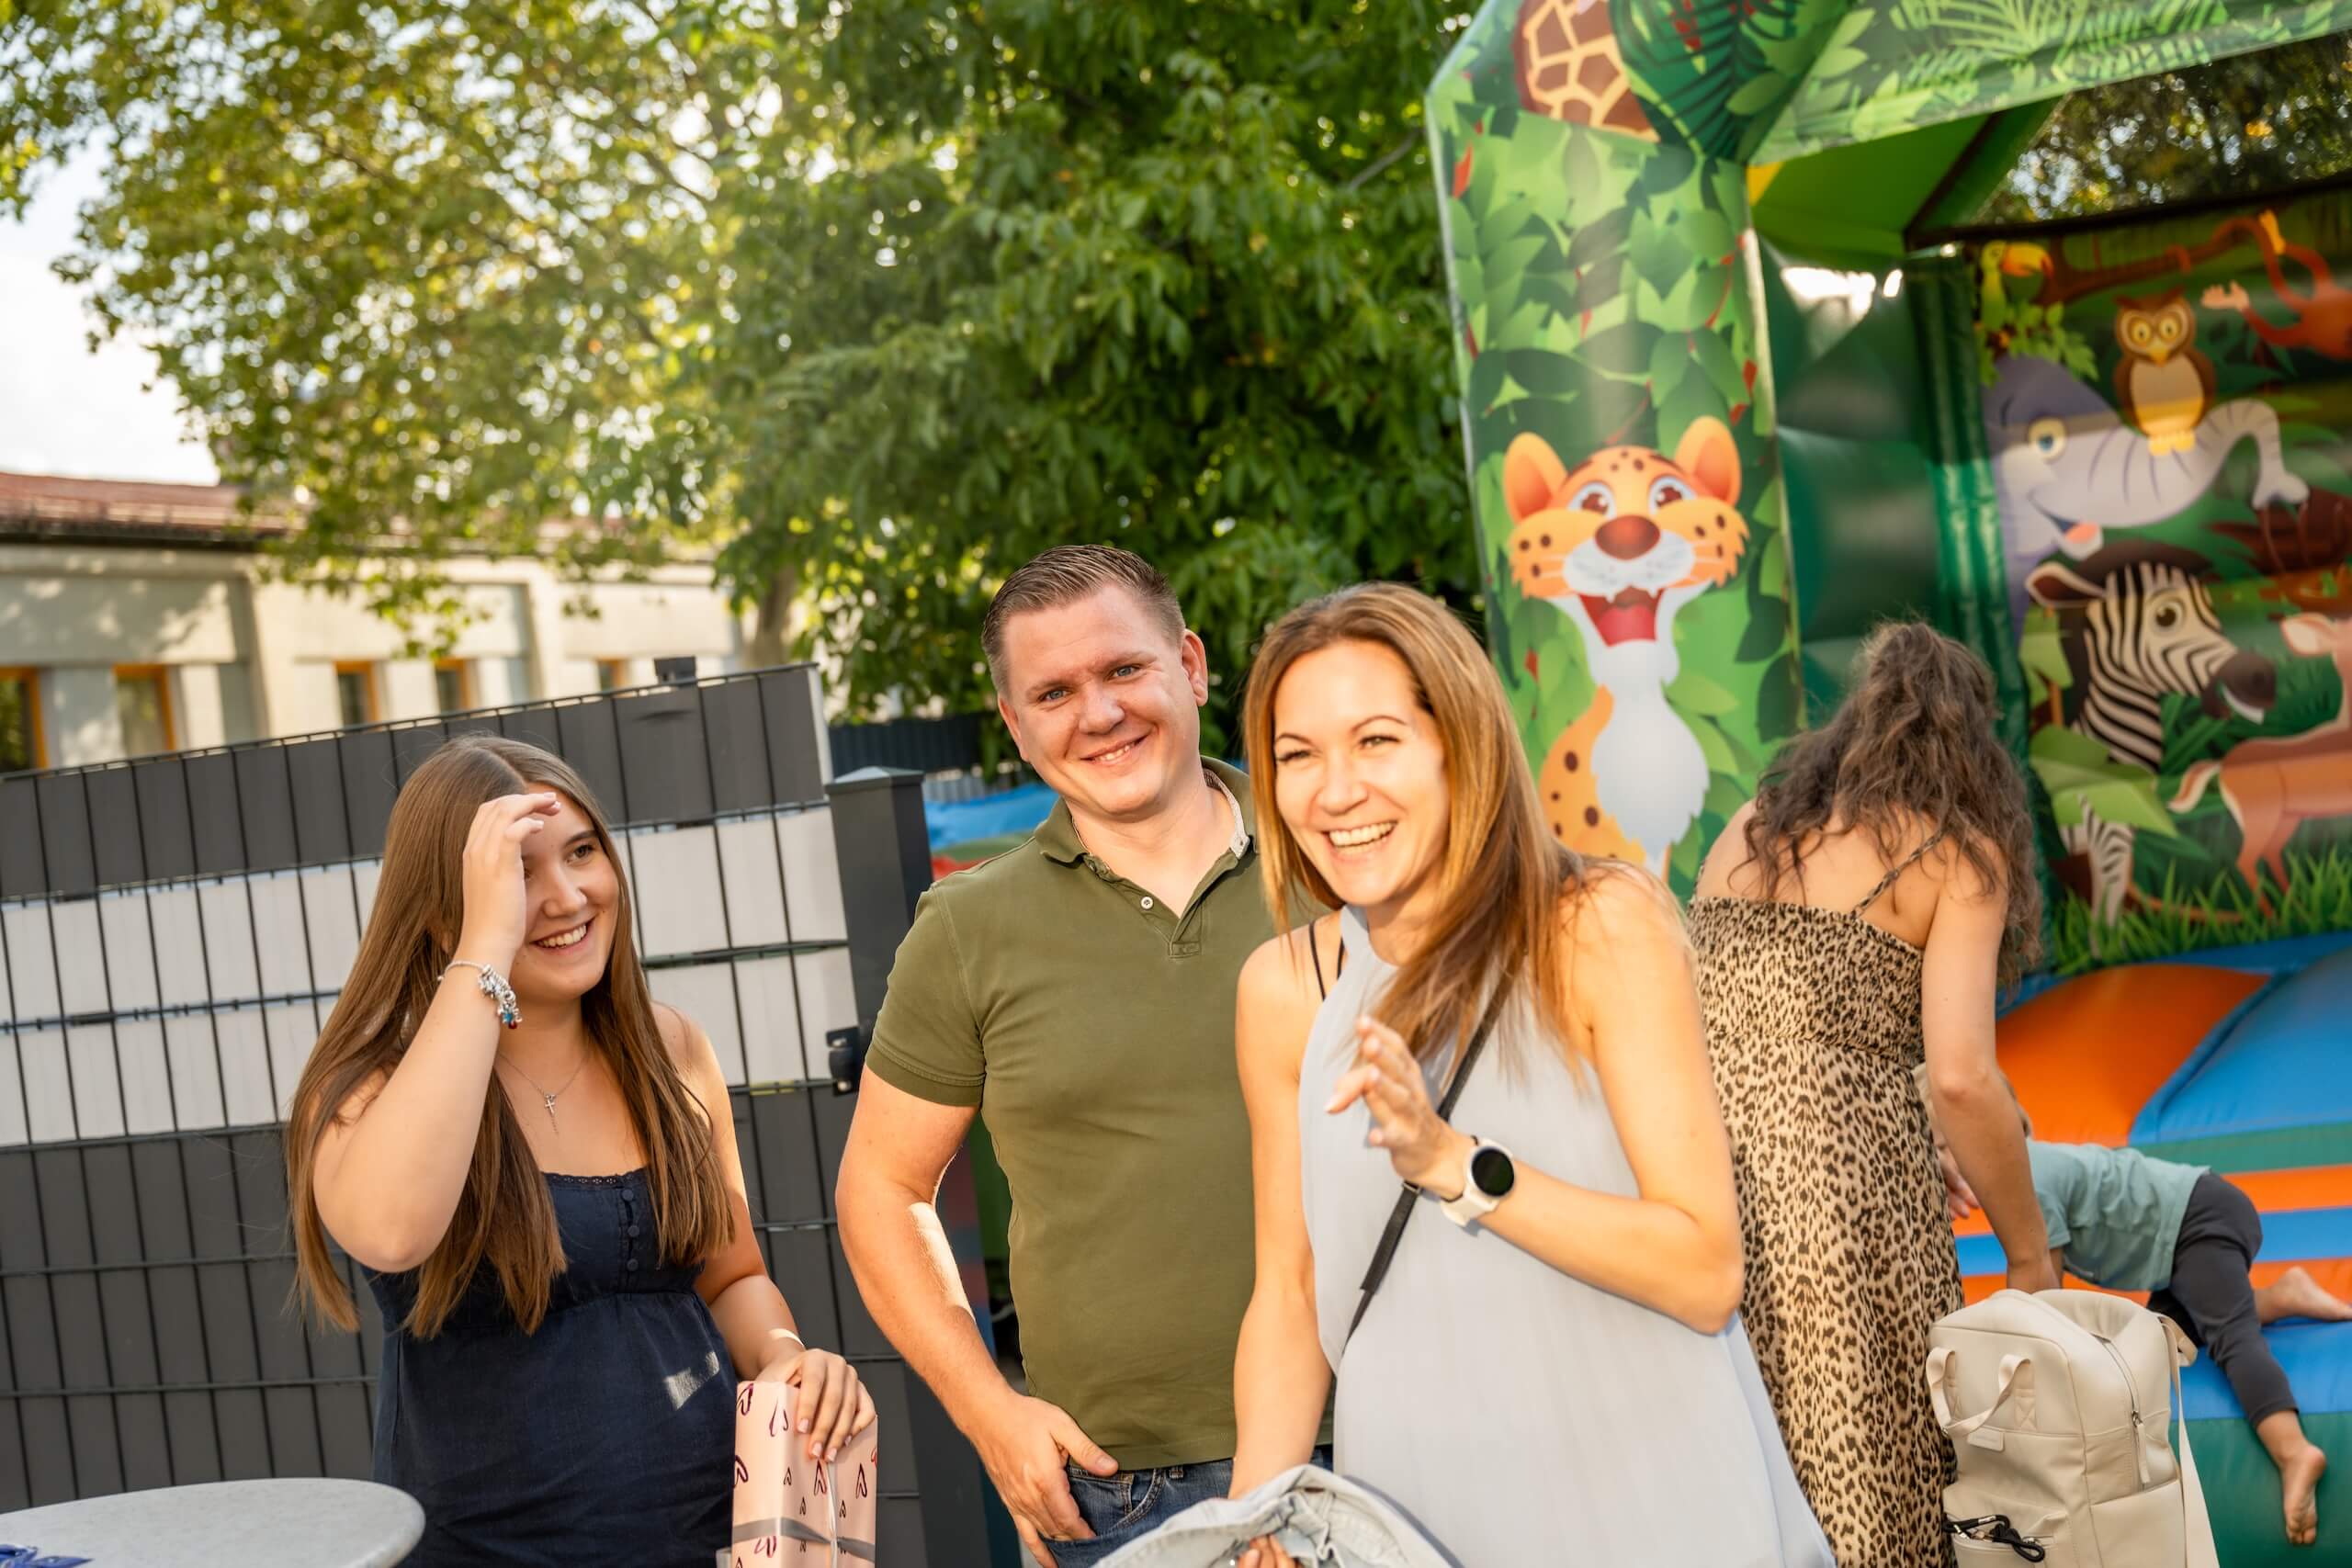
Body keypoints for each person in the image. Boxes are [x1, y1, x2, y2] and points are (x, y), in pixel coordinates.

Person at [1227, 582, 1829, 1567]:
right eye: (1297, 756)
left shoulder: (1595, 925)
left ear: (1458, 746)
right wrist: (1256, 1514)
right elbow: (1288, 1292)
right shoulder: (1283, 991)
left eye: (1376, 741)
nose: (1333, 792)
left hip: (1650, 1504)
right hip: (1416, 1516)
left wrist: (1457, 1165)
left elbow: (1704, 1269)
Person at [835, 545, 1325, 1568]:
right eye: (1052, 692)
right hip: (1115, 1490)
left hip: (1371, 1446)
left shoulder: (1337, 855)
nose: (1096, 714)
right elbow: (881, 1189)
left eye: (1122, 671)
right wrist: (991, 1417)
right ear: (1014, 727)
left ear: (1189, 666)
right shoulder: (969, 927)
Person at [285, 737, 871, 1566]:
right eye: (518, 871)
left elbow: (733, 1275)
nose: (566, 896)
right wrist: (483, 950)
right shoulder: (366, 1088)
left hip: (706, 1541)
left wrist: (786, 1358)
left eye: (583, 852)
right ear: (443, 903)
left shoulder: (671, 1049)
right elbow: (391, 1230)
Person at [1688, 620, 2057, 1568]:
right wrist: (2028, 1257)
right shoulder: (1953, 853)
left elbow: (1726, 1017)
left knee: (1745, 1475)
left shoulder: (1753, 825)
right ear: (1971, 751)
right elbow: (1962, 1077)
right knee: (1868, 1479)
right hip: (1842, 1206)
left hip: (1703, 1180)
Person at [2016, 1135, 2344, 1546]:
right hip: (2176, 1247)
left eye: (1943, 1150)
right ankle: (2281, 1297)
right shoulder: (2032, 1163)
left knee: (2233, 1340)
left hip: (2198, 1221)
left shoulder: (2029, 1178)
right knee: (2161, 1340)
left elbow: (2044, 1294)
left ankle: (2294, 1452)